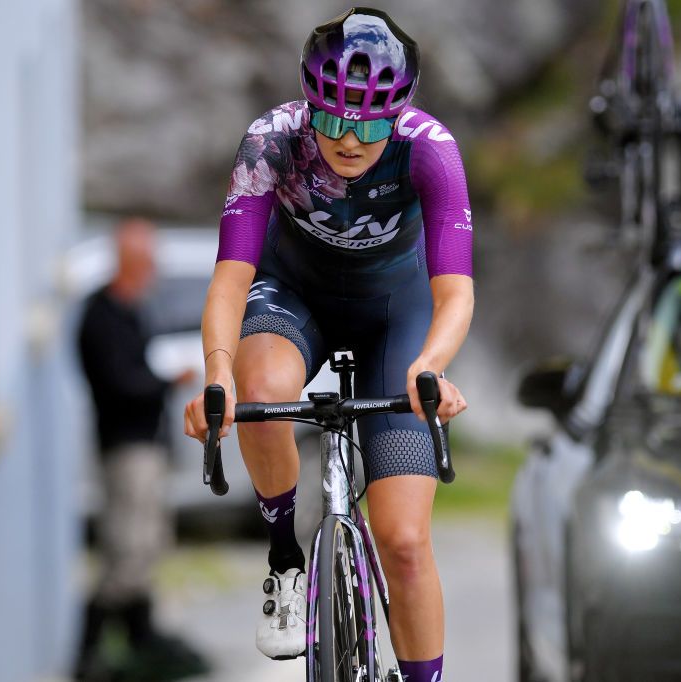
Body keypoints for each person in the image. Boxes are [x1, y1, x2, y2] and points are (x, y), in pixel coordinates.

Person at [183, 7, 473, 681]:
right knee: (260, 393)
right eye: (333, 118)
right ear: (308, 105)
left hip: (392, 320)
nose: (348, 139)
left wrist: (430, 366)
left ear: (396, 114)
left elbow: (455, 292)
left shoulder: (431, 148)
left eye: (369, 123)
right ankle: (286, 557)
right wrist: (217, 377)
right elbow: (231, 281)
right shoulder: (272, 141)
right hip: (295, 300)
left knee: (403, 541)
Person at [77, 217, 208, 681]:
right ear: (132, 264)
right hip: (124, 448)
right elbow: (120, 384)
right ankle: (89, 650)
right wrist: (167, 382)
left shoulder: (131, 312)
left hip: (144, 445)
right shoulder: (102, 316)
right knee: (126, 550)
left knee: (147, 544)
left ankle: (139, 640)